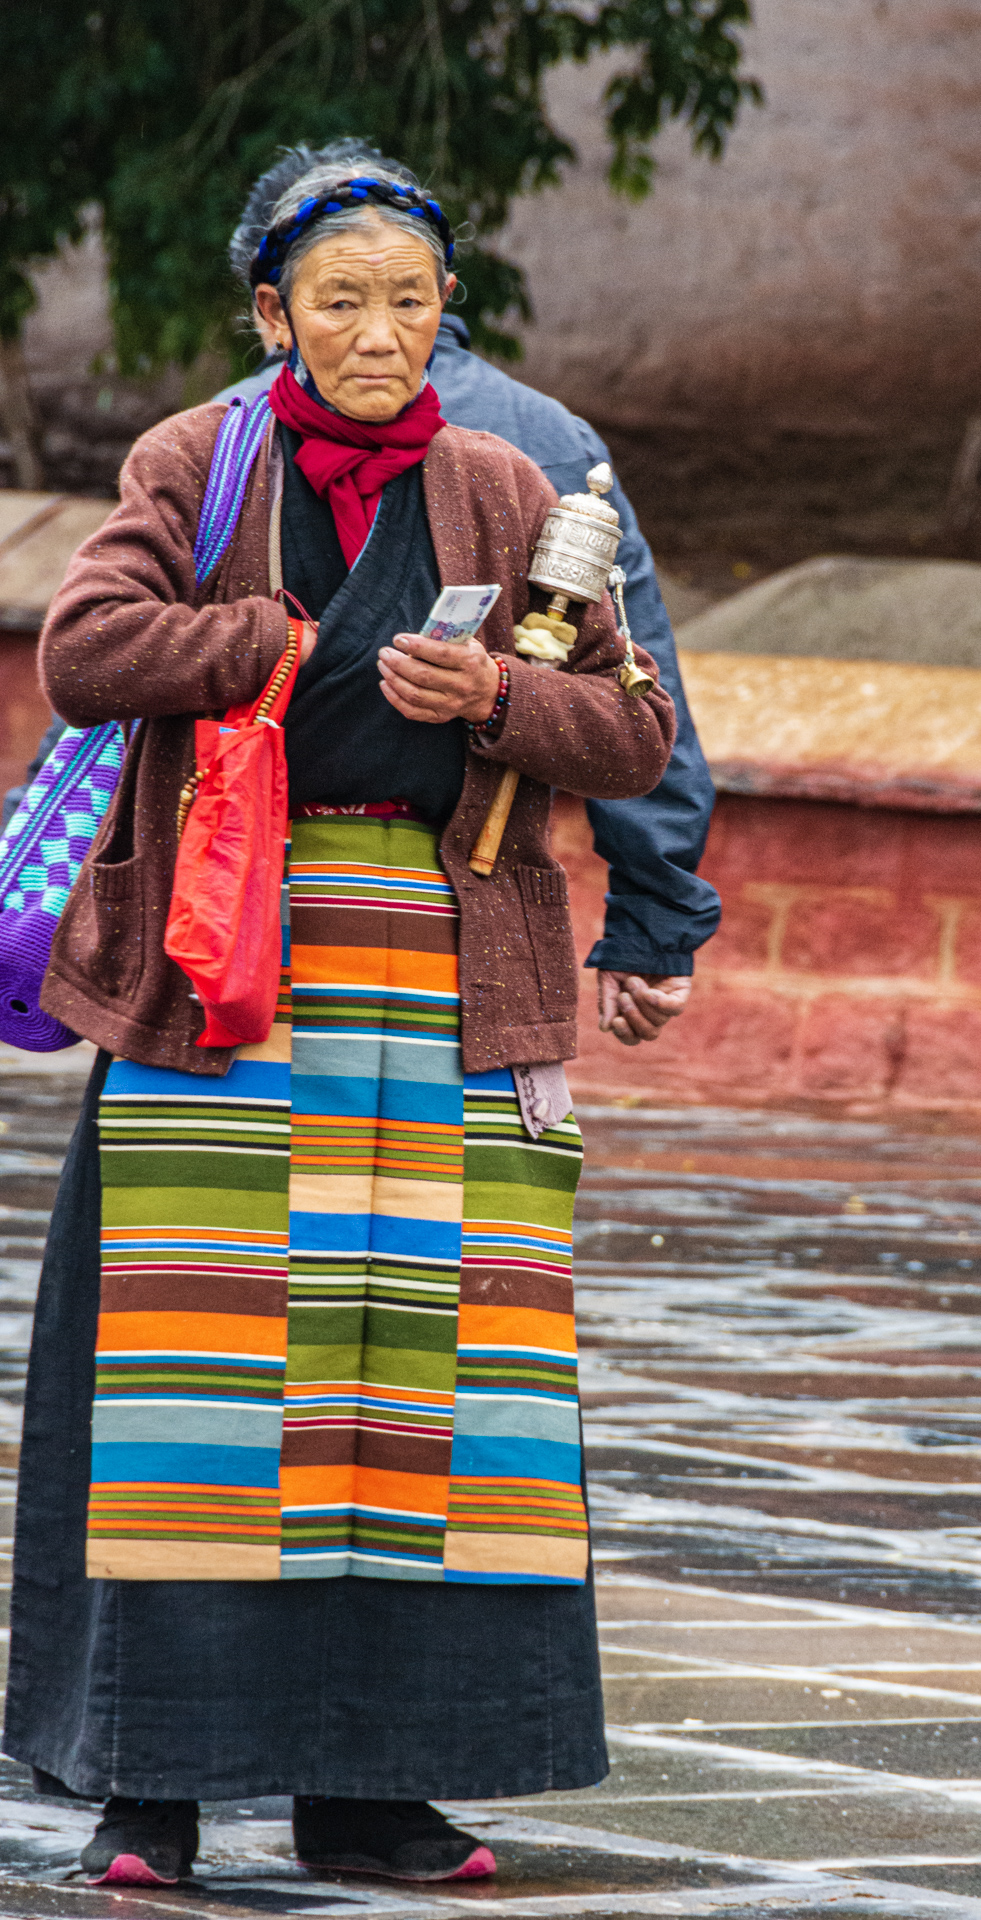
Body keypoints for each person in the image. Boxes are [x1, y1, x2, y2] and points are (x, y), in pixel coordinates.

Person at [2, 151, 677, 1887]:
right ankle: (149, 1789)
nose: (379, 334)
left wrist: (500, 694)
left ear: (447, 314)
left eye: (409, 301)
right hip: (228, 970)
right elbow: (85, 651)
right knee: (198, 1385)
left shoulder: (505, 485)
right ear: (272, 315)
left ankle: (375, 1790)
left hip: (447, 978)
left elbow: (634, 733)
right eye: (340, 302)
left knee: (423, 1386)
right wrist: (267, 646)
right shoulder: (196, 461)